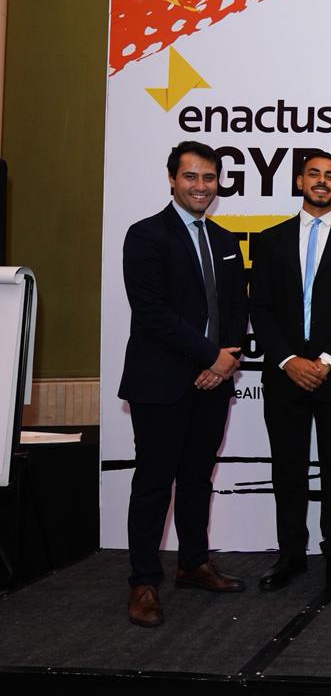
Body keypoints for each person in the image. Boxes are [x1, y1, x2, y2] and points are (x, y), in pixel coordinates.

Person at [119, 140, 248, 627]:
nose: (201, 186)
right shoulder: (146, 236)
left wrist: (226, 360)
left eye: (209, 178)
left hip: (213, 382)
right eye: (191, 176)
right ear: (172, 179)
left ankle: (193, 563)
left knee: (197, 478)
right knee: (154, 484)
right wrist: (210, 355)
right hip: (161, 382)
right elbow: (152, 313)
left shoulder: (226, 240)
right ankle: (143, 581)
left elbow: (236, 308)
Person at [250, 151, 331, 593]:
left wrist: (326, 361)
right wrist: (288, 360)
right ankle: (291, 554)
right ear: (300, 181)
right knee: (288, 469)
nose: (322, 181)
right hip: (284, 375)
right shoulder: (270, 240)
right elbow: (260, 308)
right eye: (315, 174)